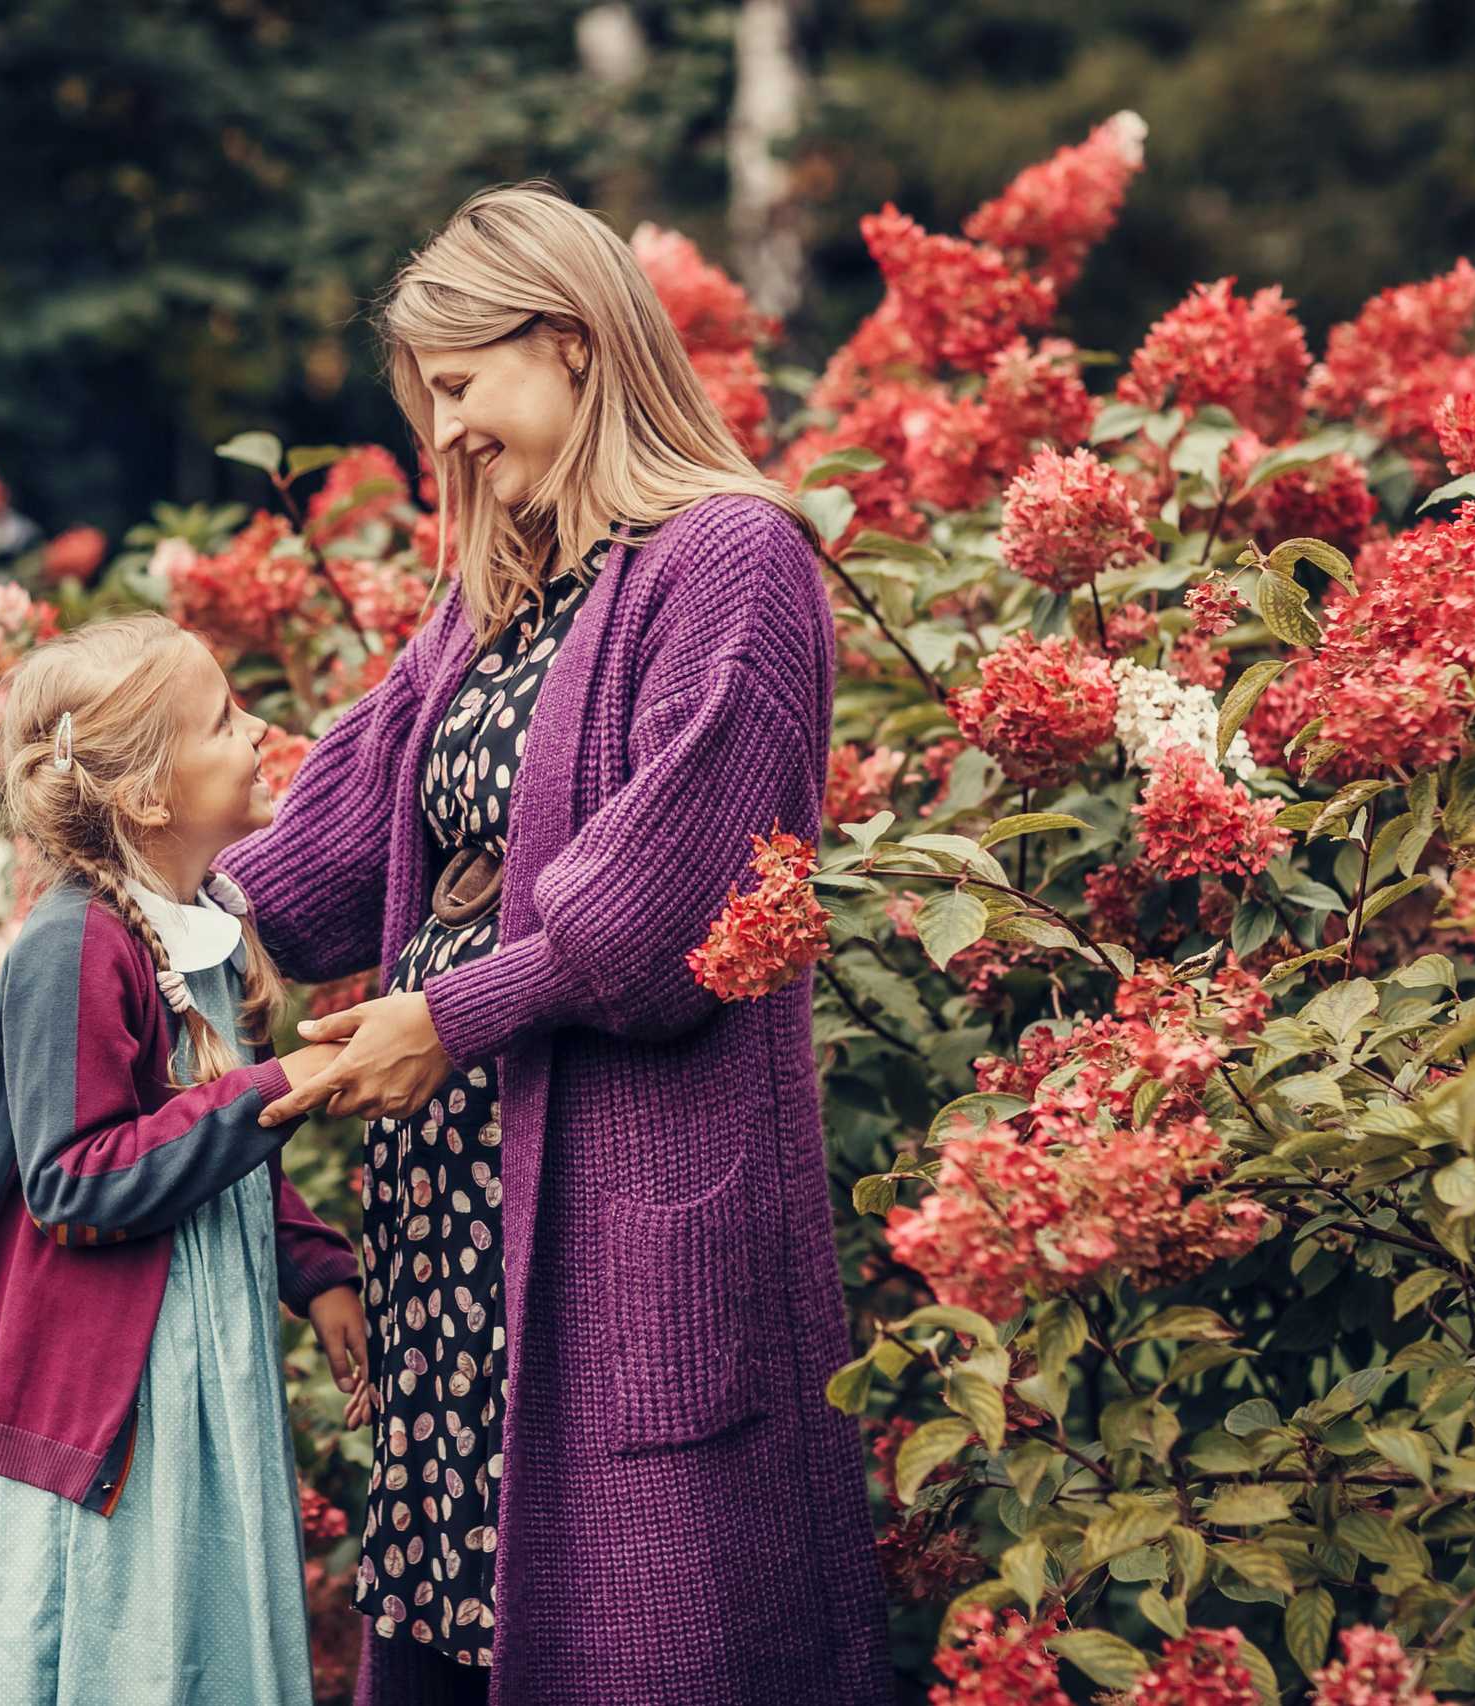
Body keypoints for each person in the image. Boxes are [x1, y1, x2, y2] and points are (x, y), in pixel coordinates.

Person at [222, 184, 890, 1705]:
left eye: (460, 386)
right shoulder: (486, 609)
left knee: (652, 1636)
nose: (444, 435)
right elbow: (323, 853)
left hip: (616, 1204)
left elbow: (677, 903)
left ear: (575, 344)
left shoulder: (731, 562)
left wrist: (449, 1019)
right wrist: (128, 946)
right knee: (461, 1628)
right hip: (454, 1223)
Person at [0, 612, 371, 1706]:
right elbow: (75, 1180)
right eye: (221, 719)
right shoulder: (73, 945)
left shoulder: (205, 916)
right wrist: (280, 1086)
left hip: (197, 1362)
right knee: (124, 1635)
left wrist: (314, 1262)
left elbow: (212, 1139)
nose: (256, 729)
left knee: (197, 1619)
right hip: (118, 1388)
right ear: (150, 797)